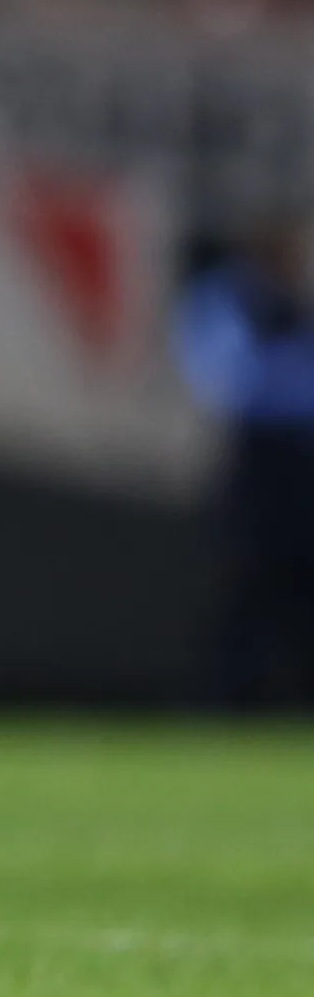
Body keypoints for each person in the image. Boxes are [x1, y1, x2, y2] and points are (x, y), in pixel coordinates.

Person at [173, 220, 314, 707]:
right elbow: (228, 381)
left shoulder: (300, 306)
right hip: (259, 473)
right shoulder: (229, 301)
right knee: (249, 597)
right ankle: (228, 708)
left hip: (305, 471)